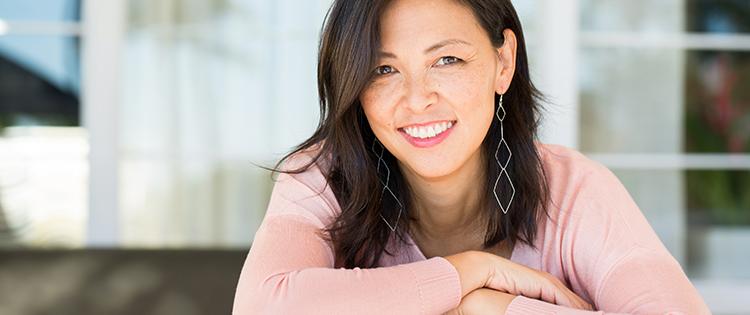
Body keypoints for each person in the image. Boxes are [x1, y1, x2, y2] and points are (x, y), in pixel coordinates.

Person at [232, 0, 710, 313]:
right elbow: (262, 306)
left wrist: (492, 309)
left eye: (447, 60)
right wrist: (468, 272)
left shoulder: (576, 190)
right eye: (383, 69)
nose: (416, 99)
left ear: (503, 63)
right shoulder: (323, 180)